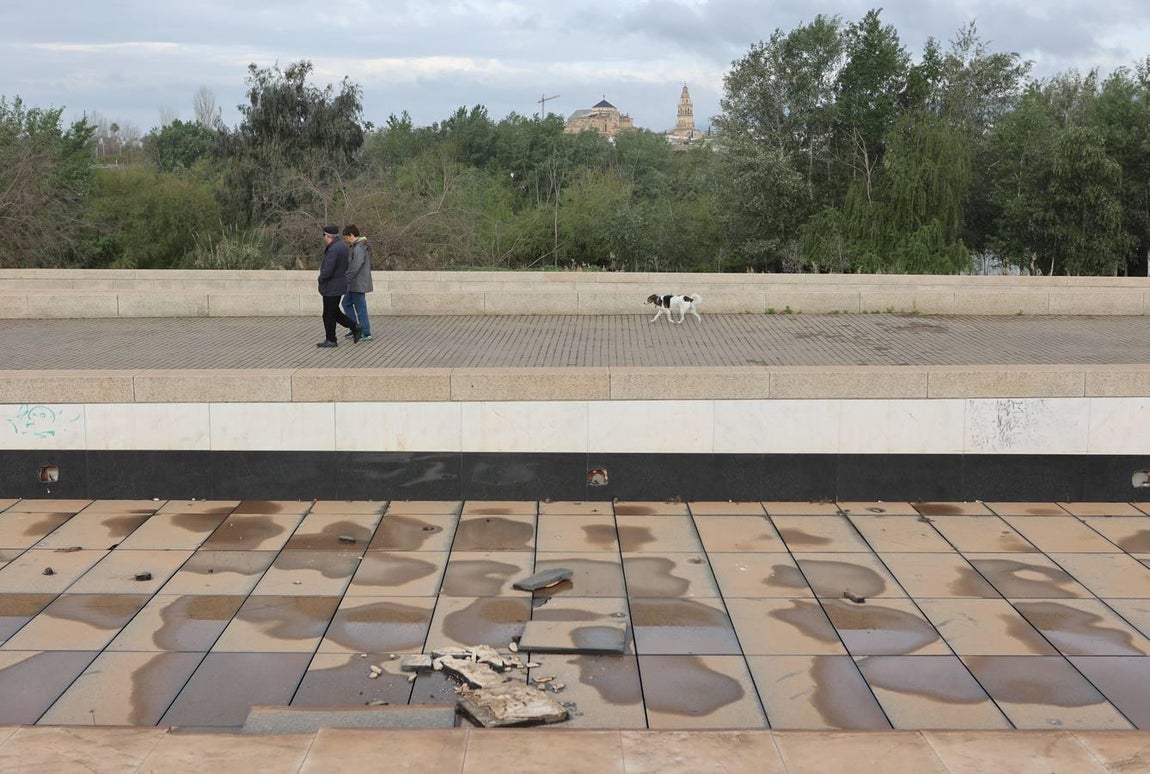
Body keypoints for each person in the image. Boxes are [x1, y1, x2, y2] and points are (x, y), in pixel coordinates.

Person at [316, 225, 361, 348]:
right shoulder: (342, 246)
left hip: (332, 285)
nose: (324, 237)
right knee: (334, 312)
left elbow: (328, 268)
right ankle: (354, 327)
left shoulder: (334, 248)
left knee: (328, 314)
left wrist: (321, 278)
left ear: (328, 235)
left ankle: (331, 339)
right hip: (338, 284)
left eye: (324, 235)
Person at [341, 224, 374, 341]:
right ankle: (355, 327)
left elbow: (356, 266)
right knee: (346, 303)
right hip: (354, 284)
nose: (346, 240)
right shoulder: (357, 246)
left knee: (360, 308)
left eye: (346, 238)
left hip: (357, 283)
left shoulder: (359, 247)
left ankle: (365, 332)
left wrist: (346, 278)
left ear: (351, 235)